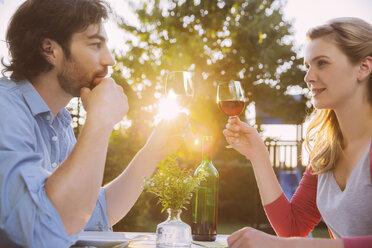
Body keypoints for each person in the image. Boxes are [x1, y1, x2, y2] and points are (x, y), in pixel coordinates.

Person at [0, 0, 187, 247]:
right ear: (50, 50)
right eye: (95, 45)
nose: (109, 60)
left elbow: (91, 212)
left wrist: (153, 151)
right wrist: (100, 120)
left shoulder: (60, 122)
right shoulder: (6, 109)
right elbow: (43, 231)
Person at [223, 17, 372, 248]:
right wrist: (258, 154)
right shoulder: (327, 151)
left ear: (364, 67)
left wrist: (283, 246)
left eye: (322, 63)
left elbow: (289, 242)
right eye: (307, 66)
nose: (308, 77)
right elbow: (293, 227)